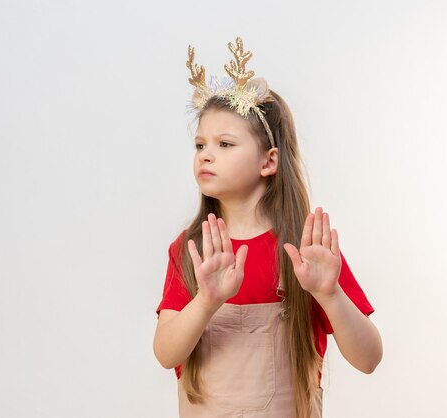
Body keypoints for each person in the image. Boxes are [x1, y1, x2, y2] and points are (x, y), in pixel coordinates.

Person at [153, 36, 383, 418]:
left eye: (225, 144)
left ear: (268, 160)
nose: (206, 154)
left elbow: (369, 358)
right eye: (199, 145)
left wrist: (329, 294)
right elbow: (166, 353)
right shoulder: (193, 249)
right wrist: (207, 301)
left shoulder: (306, 251)